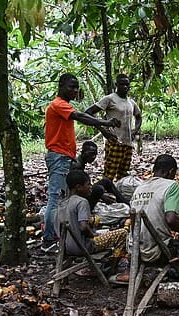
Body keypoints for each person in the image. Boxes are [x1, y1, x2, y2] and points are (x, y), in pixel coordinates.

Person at [42, 73, 121, 252]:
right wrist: (105, 122)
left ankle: (61, 236)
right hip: (59, 156)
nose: (75, 90)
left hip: (64, 156)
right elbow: (81, 117)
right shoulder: (58, 105)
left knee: (63, 197)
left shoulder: (64, 105)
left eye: (77, 87)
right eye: (71, 86)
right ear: (61, 86)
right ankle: (49, 240)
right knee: (55, 198)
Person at [55, 170, 128, 276]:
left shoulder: (61, 204)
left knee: (97, 222)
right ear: (79, 187)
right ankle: (112, 269)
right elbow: (83, 227)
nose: (91, 187)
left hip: (65, 247)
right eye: (88, 184)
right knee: (123, 233)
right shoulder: (81, 202)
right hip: (82, 247)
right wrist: (92, 235)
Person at [86, 74, 142, 182]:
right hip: (114, 141)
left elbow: (138, 116)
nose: (125, 87)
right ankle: (104, 194)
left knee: (123, 174)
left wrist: (135, 130)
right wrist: (103, 130)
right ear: (116, 85)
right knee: (109, 173)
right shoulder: (110, 99)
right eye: (122, 84)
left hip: (128, 143)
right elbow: (89, 112)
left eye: (127, 85)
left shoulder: (131, 102)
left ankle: (119, 195)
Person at [70, 141, 130, 210]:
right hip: (77, 200)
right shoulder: (77, 166)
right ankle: (88, 210)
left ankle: (126, 203)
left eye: (95, 154)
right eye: (91, 154)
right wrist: (102, 196)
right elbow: (80, 189)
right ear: (83, 152)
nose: (93, 157)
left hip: (81, 193)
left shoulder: (80, 163)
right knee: (99, 189)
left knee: (106, 181)